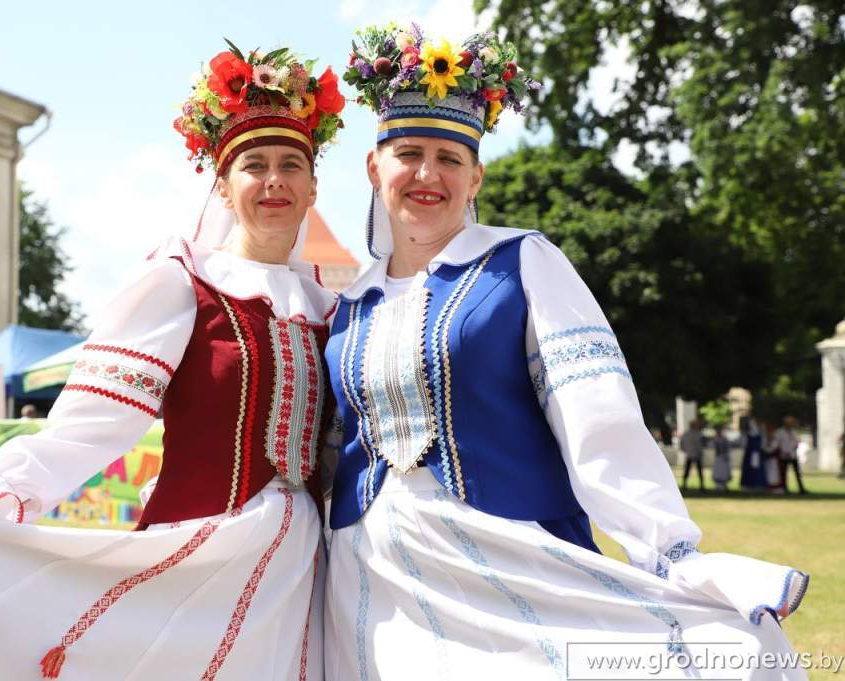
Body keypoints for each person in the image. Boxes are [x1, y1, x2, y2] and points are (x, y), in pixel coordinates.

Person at [0, 41, 345, 681]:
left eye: (291, 164)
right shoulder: (183, 283)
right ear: (222, 184)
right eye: (253, 164)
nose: (273, 180)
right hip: (200, 553)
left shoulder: (331, 308)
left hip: (307, 571)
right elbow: (89, 423)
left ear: (313, 184)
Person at [323, 23, 808, 680]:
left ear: (476, 177)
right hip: (374, 584)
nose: (427, 173)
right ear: (375, 166)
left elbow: (597, 414)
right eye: (408, 152)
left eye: (449, 158)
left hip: (502, 560)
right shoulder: (349, 305)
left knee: (729, 656)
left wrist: (668, 550)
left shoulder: (521, 263)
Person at [774, 416, 807, 494]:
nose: (791, 425)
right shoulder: (780, 432)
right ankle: (784, 488)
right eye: (789, 423)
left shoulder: (793, 432)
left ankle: (801, 489)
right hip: (784, 455)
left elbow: (797, 441)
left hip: (793, 454)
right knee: (783, 473)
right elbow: (777, 443)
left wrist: (796, 446)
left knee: (797, 473)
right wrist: (782, 451)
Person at [740, 417, 768, 490]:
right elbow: (744, 444)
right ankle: (747, 484)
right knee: (748, 469)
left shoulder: (760, 433)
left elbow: (763, 444)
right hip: (750, 455)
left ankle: (758, 484)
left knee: (757, 469)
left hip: (757, 455)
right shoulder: (747, 434)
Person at [680, 418, 706, 490]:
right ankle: (700, 485)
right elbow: (702, 444)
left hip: (691, 454)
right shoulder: (698, 434)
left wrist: (685, 450)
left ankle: (686, 485)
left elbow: (682, 444)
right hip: (694, 455)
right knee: (696, 471)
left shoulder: (687, 434)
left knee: (690, 471)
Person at [711, 426, 732, 491]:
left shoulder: (724, 439)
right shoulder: (715, 439)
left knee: (724, 471)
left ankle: (724, 484)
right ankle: (719, 485)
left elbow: (727, 448)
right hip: (718, 457)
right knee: (718, 471)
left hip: (723, 457)